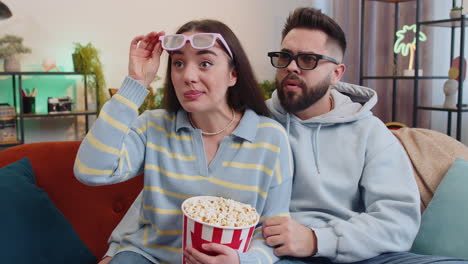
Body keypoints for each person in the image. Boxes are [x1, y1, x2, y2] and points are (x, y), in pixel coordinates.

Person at [98, 8, 468, 264]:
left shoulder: (370, 133)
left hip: (359, 253)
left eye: (308, 60)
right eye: (285, 56)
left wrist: (316, 240)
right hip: (278, 255)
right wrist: (121, 247)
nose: (292, 67)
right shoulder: (252, 123)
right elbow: (173, 185)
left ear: (336, 72)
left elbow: (398, 222)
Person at [74, 19, 293, 264]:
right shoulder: (153, 126)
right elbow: (90, 171)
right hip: (148, 257)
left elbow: (273, 230)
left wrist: (243, 261)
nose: (188, 76)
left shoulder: (271, 138)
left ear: (233, 74)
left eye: (205, 63)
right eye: (178, 63)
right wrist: (135, 84)